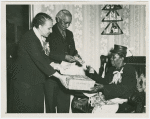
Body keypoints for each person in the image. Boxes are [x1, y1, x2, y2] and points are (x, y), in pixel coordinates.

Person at [8, 13, 68, 113]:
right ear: (40, 26)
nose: (51, 31)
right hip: (25, 85)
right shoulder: (30, 39)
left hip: (34, 82)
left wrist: (56, 65)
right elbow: (40, 61)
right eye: (49, 28)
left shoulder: (36, 36)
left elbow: (43, 57)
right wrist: (60, 77)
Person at [45, 9, 82, 113]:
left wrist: (77, 56)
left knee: (64, 107)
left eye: (69, 23)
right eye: (65, 22)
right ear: (58, 19)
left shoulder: (70, 34)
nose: (67, 25)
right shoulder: (49, 31)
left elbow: (73, 50)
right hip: (51, 75)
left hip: (66, 75)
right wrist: (64, 57)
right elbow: (46, 53)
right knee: (51, 108)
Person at [89, 44, 137, 112]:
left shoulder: (129, 69)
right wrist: (93, 73)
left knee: (100, 110)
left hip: (123, 101)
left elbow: (124, 88)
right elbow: (105, 82)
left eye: (114, 57)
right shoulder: (112, 69)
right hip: (111, 98)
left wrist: (104, 88)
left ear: (122, 58)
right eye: (111, 56)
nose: (111, 59)